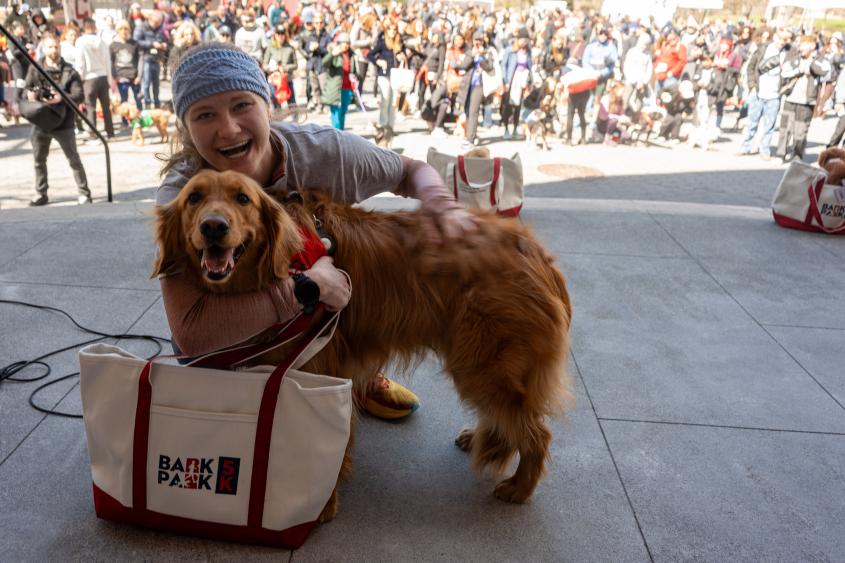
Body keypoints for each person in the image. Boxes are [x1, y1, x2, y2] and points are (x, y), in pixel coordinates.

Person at [157, 42, 478, 417]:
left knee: (356, 262)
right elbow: (193, 335)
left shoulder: (324, 152)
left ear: (267, 105)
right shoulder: (180, 194)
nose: (228, 129)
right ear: (187, 127)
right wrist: (308, 287)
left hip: (332, 305)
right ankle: (251, 387)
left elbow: (410, 171)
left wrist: (442, 204)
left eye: (242, 105)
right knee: (211, 368)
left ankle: (356, 371)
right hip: (234, 323)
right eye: (204, 114)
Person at [22, 34, 91, 206]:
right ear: (43, 49)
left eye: (56, 47)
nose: (54, 50)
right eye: (50, 47)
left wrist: (61, 97)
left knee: (73, 159)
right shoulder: (35, 69)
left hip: (64, 122)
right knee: (39, 160)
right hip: (41, 121)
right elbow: (24, 89)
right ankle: (41, 193)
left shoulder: (70, 71)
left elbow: (79, 96)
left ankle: (84, 193)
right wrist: (30, 94)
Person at [774, 34, 830, 165]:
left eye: (804, 44)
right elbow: (784, 72)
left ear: (812, 45)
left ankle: (797, 157)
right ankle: (780, 154)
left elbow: (827, 73)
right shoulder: (795, 58)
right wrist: (799, 70)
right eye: (800, 44)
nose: (801, 47)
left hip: (807, 101)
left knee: (801, 131)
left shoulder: (820, 60)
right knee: (785, 128)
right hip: (790, 99)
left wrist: (811, 66)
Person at [737, 29, 792, 160]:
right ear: (775, 37)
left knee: (769, 125)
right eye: (780, 38)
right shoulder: (763, 48)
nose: (782, 42)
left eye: (785, 40)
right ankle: (746, 147)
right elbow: (751, 67)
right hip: (758, 92)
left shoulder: (789, 52)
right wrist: (752, 86)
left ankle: (764, 150)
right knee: (752, 123)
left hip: (774, 95)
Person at [75, 17, 115, 143]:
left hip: (89, 78)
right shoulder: (102, 42)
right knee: (105, 107)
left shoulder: (80, 41)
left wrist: (79, 78)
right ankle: (110, 133)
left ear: (83, 27)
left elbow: (80, 62)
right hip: (103, 76)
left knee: (90, 107)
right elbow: (107, 62)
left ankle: (93, 135)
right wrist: (108, 79)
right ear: (94, 27)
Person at [454, 30, 494, 150]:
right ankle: (472, 134)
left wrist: (481, 57)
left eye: (480, 41)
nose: (478, 44)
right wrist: (472, 55)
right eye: (476, 41)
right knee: (467, 111)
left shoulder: (487, 52)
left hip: (480, 85)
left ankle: (470, 139)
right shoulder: (469, 51)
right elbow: (464, 66)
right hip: (468, 85)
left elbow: (489, 68)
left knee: (474, 111)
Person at [367, 20, 406, 130]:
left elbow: (406, 55)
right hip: (384, 75)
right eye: (390, 29)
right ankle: (384, 125)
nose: (393, 32)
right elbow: (369, 55)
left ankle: (391, 127)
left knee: (393, 102)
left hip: (396, 75)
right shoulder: (382, 42)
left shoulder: (399, 43)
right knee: (385, 101)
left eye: (395, 29)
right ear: (386, 30)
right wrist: (378, 62)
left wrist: (403, 57)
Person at [501, 27, 532, 140]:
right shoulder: (510, 50)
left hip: (522, 81)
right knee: (508, 106)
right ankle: (506, 129)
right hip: (511, 81)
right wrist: (505, 81)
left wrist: (531, 82)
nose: (524, 43)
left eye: (526, 41)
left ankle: (514, 128)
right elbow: (504, 65)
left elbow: (530, 66)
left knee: (518, 106)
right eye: (523, 41)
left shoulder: (527, 51)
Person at [111, 19, 143, 126]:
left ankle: (140, 119)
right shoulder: (113, 45)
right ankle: (125, 121)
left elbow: (140, 60)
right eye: (120, 29)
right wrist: (114, 75)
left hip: (134, 77)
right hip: (121, 78)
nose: (123, 31)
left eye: (125, 29)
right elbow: (110, 61)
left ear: (129, 30)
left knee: (138, 99)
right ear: (117, 31)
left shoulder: (135, 44)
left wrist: (139, 75)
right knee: (123, 101)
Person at [321, 32, 356, 130]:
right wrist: (332, 54)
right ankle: (337, 135)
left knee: (343, 113)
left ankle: (342, 133)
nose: (345, 45)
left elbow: (355, 71)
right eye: (343, 43)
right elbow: (324, 63)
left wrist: (354, 76)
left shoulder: (352, 55)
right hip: (336, 88)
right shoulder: (335, 53)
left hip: (347, 88)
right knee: (336, 114)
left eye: (347, 43)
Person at [134, 10, 167, 109]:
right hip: (146, 58)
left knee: (156, 83)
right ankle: (147, 103)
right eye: (156, 22)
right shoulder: (142, 27)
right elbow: (136, 42)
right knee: (146, 83)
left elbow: (164, 39)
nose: (157, 25)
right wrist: (151, 43)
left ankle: (157, 102)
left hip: (156, 59)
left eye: (159, 23)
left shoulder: (159, 29)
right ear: (150, 19)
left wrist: (164, 44)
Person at [708, 34, 741, 128]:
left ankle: (717, 126)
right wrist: (714, 64)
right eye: (721, 43)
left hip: (725, 82)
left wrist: (727, 67)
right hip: (715, 80)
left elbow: (737, 70)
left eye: (725, 44)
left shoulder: (734, 56)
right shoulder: (717, 53)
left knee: (720, 105)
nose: (722, 46)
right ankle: (707, 124)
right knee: (710, 102)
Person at [264, 24, 298, 106]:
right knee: (276, 106)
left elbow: (296, 65)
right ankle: (278, 119)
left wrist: (286, 68)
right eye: (278, 33)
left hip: (287, 79)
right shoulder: (270, 47)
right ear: (275, 34)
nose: (280, 36)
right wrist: (272, 68)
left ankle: (294, 119)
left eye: (282, 33)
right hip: (274, 80)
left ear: (285, 35)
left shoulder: (290, 48)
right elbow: (264, 65)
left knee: (292, 104)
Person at [306, 11, 331, 113]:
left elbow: (329, 51)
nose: (319, 24)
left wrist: (318, 48)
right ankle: (319, 106)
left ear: (324, 23)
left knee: (324, 87)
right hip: (313, 65)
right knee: (315, 88)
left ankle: (327, 107)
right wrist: (311, 48)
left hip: (322, 66)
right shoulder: (311, 35)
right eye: (316, 22)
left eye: (321, 22)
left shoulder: (327, 36)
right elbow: (306, 49)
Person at [622, 33, 652, 113]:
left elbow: (649, 70)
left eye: (646, 45)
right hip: (631, 81)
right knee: (625, 101)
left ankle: (635, 120)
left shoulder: (648, 54)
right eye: (643, 44)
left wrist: (644, 82)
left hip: (642, 82)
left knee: (639, 104)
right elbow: (627, 68)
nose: (644, 47)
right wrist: (634, 82)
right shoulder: (632, 52)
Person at [596, 80, 630, 146]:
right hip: (604, 124)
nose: (624, 93)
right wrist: (618, 118)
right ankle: (607, 139)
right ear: (615, 89)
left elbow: (622, 113)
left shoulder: (620, 100)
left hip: (615, 125)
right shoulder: (606, 98)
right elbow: (603, 115)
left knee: (626, 136)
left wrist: (625, 118)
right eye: (623, 91)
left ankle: (613, 138)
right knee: (614, 120)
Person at [654, 27, 687, 94]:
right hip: (660, 75)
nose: (665, 37)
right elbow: (659, 58)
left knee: (667, 97)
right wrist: (656, 67)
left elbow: (682, 61)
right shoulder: (664, 45)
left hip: (671, 77)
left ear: (673, 34)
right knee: (657, 95)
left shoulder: (679, 46)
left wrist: (672, 71)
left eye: (667, 35)